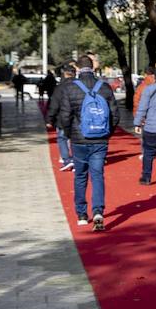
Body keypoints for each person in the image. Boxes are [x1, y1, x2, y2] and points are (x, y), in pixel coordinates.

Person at [54, 56, 119, 231]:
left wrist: (69, 135)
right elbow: (115, 115)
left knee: (80, 176)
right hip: (100, 139)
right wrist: (107, 134)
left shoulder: (71, 88)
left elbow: (65, 116)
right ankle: (98, 211)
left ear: (77, 68)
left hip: (79, 139)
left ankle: (82, 214)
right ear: (93, 68)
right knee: (97, 175)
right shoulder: (104, 87)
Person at [47, 64, 77, 171]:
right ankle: (76, 160)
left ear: (64, 74)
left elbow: (54, 104)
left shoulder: (60, 87)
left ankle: (66, 159)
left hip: (62, 118)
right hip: (77, 118)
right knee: (76, 139)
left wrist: (50, 119)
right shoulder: (80, 86)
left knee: (62, 138)